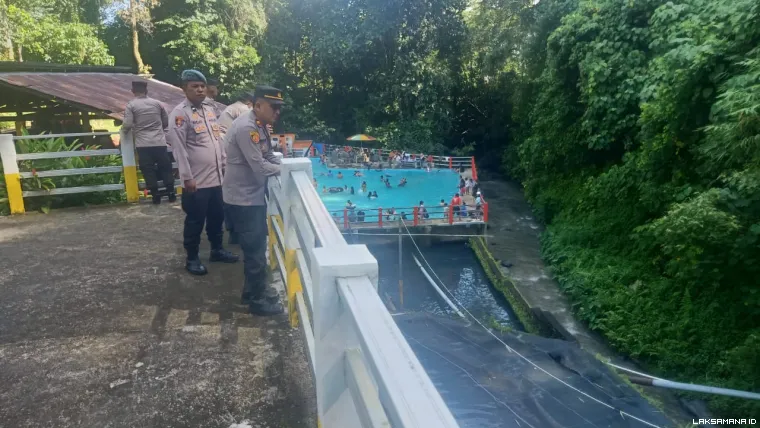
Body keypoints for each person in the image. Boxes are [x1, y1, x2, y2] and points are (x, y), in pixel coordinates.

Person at [167, 69, 239, 275]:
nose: (200, 90)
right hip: (196, 181)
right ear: (185, 89)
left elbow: (217, 141)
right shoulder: (180, 114)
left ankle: (217, 250)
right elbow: (179, 149)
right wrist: (187, 177)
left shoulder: (209, 110)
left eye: (202, 86)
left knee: (217, 217)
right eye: (194, 86)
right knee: (195, 221)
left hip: (216, 178)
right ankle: (192, 258)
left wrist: (224, 166)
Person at [222, 84, 286, 316]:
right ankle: (258, 302)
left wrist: (283, 164)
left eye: (280, 108)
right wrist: (286, 171)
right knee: (255, 251)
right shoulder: (247, 127)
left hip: (252, 195)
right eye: (273, 107)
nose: (277, 112)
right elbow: (259, 165)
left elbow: (267, 154)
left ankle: (251, 292)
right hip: (243, 198)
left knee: (255, 247)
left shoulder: (260, 125)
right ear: (258, 105)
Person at [122, 80, 175, 204]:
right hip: (159, 142)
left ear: (133, 91)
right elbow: (165, 122)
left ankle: (155, 195)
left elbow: (127, 124)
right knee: (165, 167)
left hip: (143, 144)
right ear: (146, 91)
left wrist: (124, 132)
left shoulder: (131, 105)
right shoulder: (157, 104)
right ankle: (171, 193)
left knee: (148, 170)